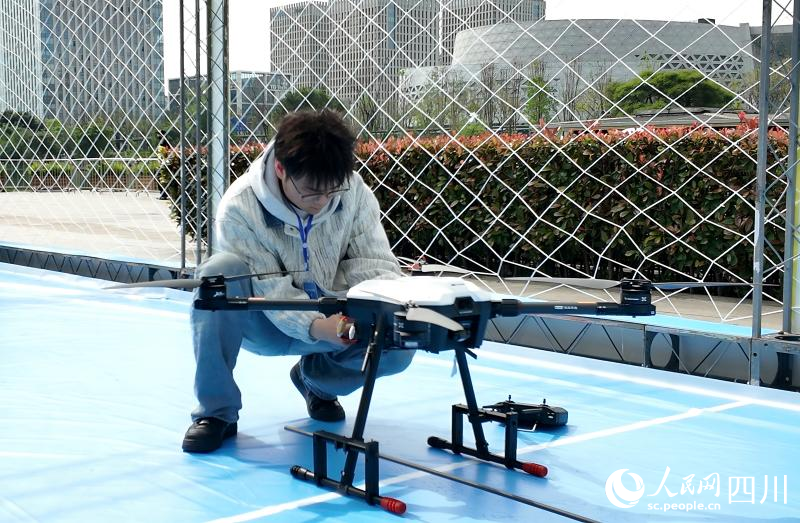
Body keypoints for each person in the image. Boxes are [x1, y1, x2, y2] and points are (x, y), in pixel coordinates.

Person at [182, 110, 414, 453]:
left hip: (339, 320)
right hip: (268, 324)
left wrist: (378, 311)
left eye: (331, 191)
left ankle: (316, 382)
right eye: (310, 192)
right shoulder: (239, 208)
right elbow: (270, 285)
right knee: (220, 272)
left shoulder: (354, 191)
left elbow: (376, 262)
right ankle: (216, 413)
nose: (321, 202)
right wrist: (318, 326)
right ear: (281, 169)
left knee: (398, 348)